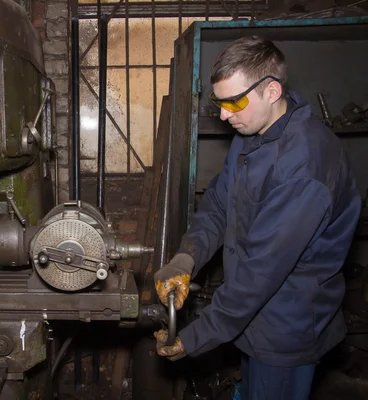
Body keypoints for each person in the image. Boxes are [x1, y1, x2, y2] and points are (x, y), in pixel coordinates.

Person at [153, 35, 361, 399]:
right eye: (219, 102)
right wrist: (187, 257)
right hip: (252, 322)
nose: (223, 115)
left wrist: (194, 337)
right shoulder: (253, 134)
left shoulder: (305, 167)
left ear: (272, 91)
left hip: (286, 332)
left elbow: (260, 275)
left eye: (234, 102)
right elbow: (219, 202)